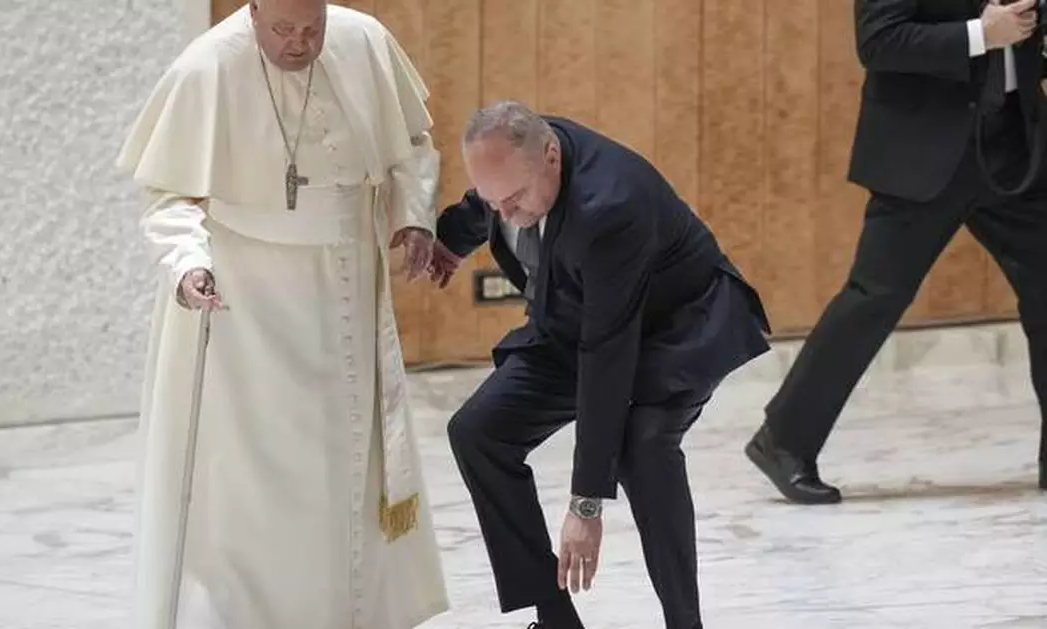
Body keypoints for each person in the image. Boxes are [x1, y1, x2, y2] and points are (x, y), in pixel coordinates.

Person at [114, 2, 449, 628]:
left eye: (311, 30)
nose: (298, 45)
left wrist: (411, 218)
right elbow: (170, 196)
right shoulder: (206, 67)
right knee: (252, 480)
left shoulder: (364, 40)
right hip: (249, 303)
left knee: (348, 468)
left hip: (348, 285)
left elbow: (409, 149)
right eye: (282, 31)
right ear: (255, 11)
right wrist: (189, 263)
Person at [430, 101, 772, 629]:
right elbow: (486, 205)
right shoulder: (515, 168)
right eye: (495, 201)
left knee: (643, 446)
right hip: (576, 318)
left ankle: (686, 623)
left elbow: (607, 355)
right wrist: (446, 242)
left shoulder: (610, 205)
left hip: (676, 328)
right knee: (478, 433)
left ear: (551, 158)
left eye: (516, 200)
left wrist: (586, 503)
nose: (507, 215)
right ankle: (554, 619)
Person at [745, 0, 1047, 506]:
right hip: (925, 150)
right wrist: (980, 34)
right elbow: (878, 41)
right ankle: (784, 440)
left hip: (1014, 144)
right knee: (874, 297)